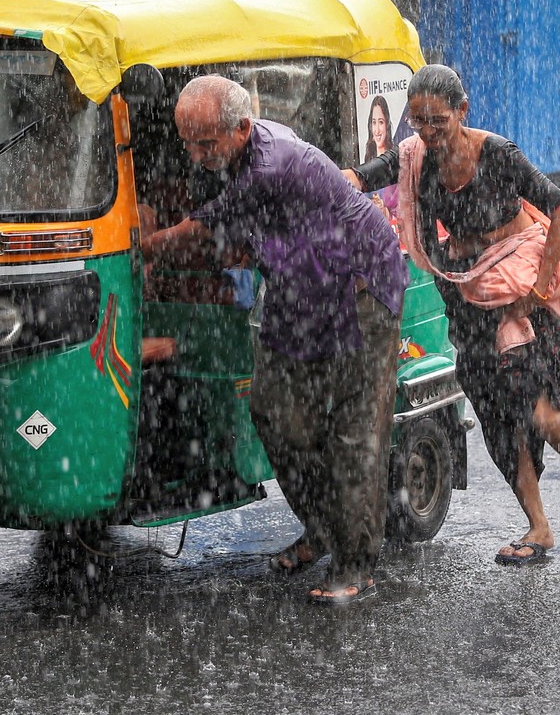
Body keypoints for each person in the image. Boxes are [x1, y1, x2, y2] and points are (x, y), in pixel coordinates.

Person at [140, 75, 408, 605]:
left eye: (205, 144)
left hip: (358, 288)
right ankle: (323, 526)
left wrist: (140, 248)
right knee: (272, 410)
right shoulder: (240, 152)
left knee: (355, 430)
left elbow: (205, 227)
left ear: (241, 129)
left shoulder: (272, 162)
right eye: (187, 143)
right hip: (297, 287)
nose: (195, 156)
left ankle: (357, 563)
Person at [350, 64, 560, 566]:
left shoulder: (497, 154)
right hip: (471, 296)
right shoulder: (416, 158)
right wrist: (336, 179)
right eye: (419, 122)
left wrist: (537, 289)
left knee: (535, 405)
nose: (428, 133)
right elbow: (370, 174)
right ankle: (538, 527)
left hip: (524, 292)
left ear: (462, 111)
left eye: (438, 121)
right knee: (498, 418)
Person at [363, 94, 394, 163]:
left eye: (381, 122)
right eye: (374, 122)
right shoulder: (368, 159)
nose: (377, 130)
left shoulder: (394, 158)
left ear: (387, 124)